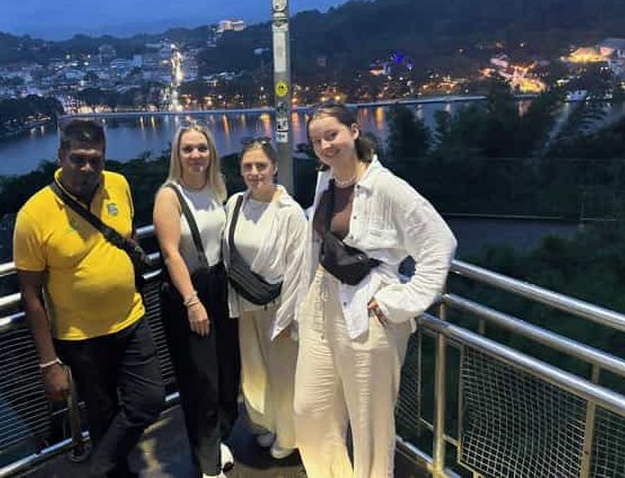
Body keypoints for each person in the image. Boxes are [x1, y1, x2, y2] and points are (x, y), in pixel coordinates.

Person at [294, 103, 457, 478]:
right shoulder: (326, 181)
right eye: (317, 140)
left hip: (368, 309)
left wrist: (401, 301)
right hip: (322, 302)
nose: (325, 145)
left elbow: (439, 244)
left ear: (354, 131)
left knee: (370, 423)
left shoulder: (387, 187)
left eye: (332, 135)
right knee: (309, 409)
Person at [14, 117, 164, 478]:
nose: (87, 168)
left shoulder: (118, 185)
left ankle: (99, 466)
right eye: (78, 158)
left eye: (95, 159)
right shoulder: (33, 214)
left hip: (131, 319)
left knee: (149, 400)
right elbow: (31, 294)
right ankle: (113, 472)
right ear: (61, 156)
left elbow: (128, 236)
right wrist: (48, 363)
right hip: (80, 338)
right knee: (102, 416)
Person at [153, 122, 239, 478]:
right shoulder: (169, 195)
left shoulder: (216, 186)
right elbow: (171, 253)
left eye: (202, 148)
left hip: (220, 286)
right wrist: (192, 301)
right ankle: (207, 465)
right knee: (200, 380)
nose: (195, 155)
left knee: (228, 371)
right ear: (177, 154)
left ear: (211, 152)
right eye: (187, 149)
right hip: (189, 293)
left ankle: (218, 438)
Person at [222, 137, 308, 460]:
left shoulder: (290, 212)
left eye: (261, 165)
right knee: (254, 371)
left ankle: (290, 434)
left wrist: (290, 318)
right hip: (245, 304)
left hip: (278, 305)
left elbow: (299, 268)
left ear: (274, 167)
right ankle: (262, 424)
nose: (254, 172)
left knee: (285, 374)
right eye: (248, 166)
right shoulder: (235, 204)